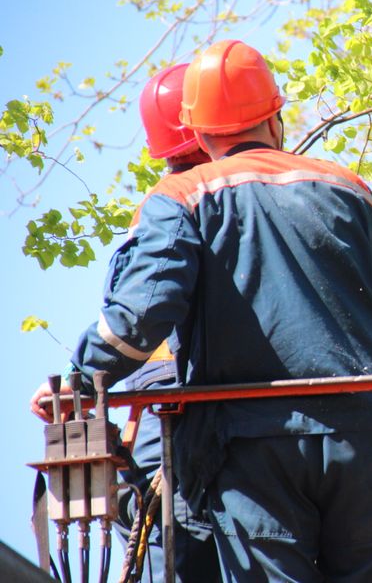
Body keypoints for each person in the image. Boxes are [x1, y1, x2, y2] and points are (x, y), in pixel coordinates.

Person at [32, 39, 372, 582]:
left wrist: (79, 379)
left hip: (258, 445)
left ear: (199, 133)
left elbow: (141, 315)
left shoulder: (182, 198)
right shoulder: (344, 186)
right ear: (276, 116)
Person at [113, 63, 220, 583]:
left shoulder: (158, 207)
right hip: (180, 403)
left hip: (162, 406)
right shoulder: (197, 201)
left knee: (174, 543)